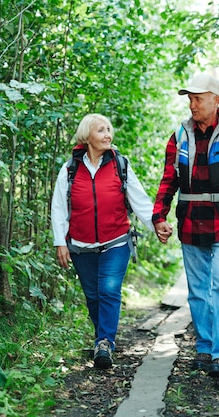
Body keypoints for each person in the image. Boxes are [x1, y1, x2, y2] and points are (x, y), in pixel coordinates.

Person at [152, 73, 219, 379]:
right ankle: (205, 346)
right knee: (198, 291)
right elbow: (168, 180)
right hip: (190, 222)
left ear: (216, 100)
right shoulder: (179, 137)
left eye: (198, 98)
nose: (192, 104)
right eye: (190, 98)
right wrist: (159, 216)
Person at [51, 113, 155, 369]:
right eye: (101, 130)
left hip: (116, 241)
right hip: (81, 245)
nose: (108, 134)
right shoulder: (70, 169)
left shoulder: (121, 164)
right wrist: (60, 242)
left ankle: (105, 342)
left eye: (109, 129)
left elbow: (140, 200)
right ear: (87, 136)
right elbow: (58, 207)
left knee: (108, 291)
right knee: (93, 296)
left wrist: (158, 225)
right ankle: (102, 338)